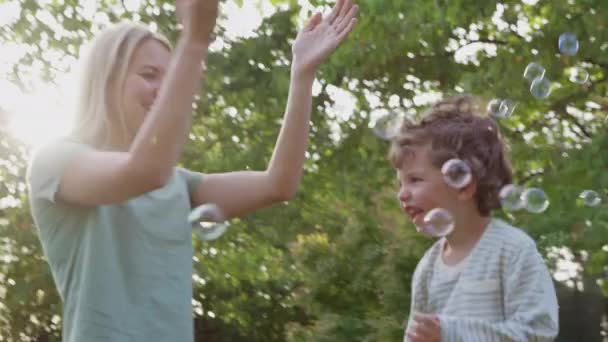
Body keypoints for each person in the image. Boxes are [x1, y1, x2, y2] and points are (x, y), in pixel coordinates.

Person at [26, 0, 358, 340]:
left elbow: (279, 184)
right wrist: (195, 40)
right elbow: (142, 172)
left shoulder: (176, 184)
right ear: (106, 80)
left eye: (171, 80)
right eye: (149, 75)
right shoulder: (56, 160)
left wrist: (302, 74)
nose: (164, 91)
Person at [389, 95, 559, 342]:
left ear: (462, 184)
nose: (402, 194)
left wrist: (452, 333)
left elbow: (538, 331)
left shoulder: (512, 250)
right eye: (400, 183)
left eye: (415, 180)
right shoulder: (427, 268)